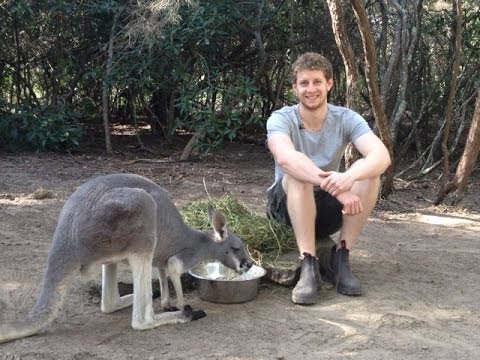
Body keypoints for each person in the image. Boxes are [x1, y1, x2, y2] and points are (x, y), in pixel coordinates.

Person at [265, 52, 391, 305]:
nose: (310, 89)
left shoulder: (346, 118)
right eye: (304, 83)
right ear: (294, 87)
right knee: (298, 174)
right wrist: (337, 188)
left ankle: (341, 257)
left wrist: (349, 178)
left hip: (326, 207)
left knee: (369, 174)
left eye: (317, 82)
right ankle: (308, 263)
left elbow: (382, 156)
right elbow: (286, 158)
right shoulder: (281, 118)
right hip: (285, 207)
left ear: (329, 83)